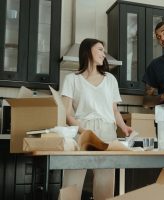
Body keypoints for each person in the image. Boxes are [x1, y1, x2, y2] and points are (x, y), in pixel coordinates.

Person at [61, 38, 133, 200]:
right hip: (82, 132)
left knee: (105, 187)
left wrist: (124, 127)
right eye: (100, 49)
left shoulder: (110, 79)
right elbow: (66, 114)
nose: (103, 54)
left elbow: (114, 110)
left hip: (107, 133)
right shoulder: (71, 79)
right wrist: (84, 131)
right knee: (71, 185)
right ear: (88, 51)